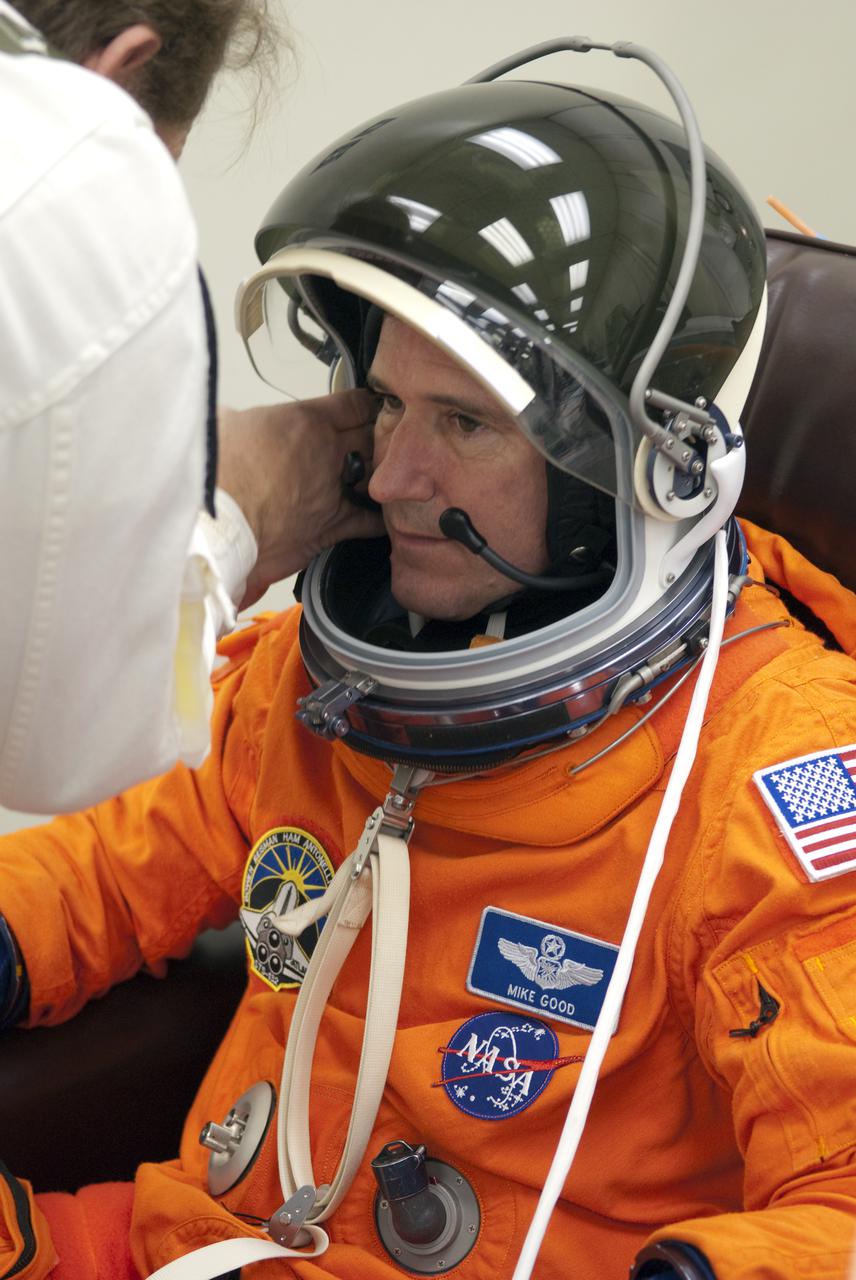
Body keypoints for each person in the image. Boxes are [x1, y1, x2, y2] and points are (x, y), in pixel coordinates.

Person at [2, 48, 856, 1280]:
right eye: (388, 406)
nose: (393, 475)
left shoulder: (767, 772)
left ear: (629, 467)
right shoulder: (323, 673)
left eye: (462, 423)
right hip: (192, 1244)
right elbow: (120, 858)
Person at [0, 0, 379, 814]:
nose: (400, 473)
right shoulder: (70, 170)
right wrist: (230, 520)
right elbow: (56, 758)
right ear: (126, 61)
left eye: (464, 419)